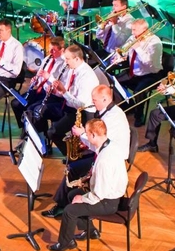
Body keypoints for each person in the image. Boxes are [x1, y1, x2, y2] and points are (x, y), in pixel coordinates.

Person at [43, 85, 130, 219]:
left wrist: (82, 134)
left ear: (105, 99)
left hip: (110, 160)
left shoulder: (112, 118)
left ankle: (63, 206)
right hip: (105, 153)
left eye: (94, 100)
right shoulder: (109, 112)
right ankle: (71, 200)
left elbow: (100, 143)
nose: (92, 103)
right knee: (75, 163)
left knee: (73, 168)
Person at [47, 118, 128, 251]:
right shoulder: (110, 144)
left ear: (94, 135)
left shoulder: (104, 161)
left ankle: (65, 243)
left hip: (107, 202)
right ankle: (90, 231)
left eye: (88, 134)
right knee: (72, 195)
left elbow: (99, 194)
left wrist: (82, 198)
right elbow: (93, 146)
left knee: (69, 210)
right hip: (110, 196)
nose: (87, 137)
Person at [46, 45, 99, 156]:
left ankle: (74, 157)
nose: (65, 62)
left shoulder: (86, 76)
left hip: (84, 112)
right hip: (71, 107)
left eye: (67, 59)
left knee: (54, 132)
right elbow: (68, 90)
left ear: (77, 59)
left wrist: (63, 91)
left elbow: (81, 104)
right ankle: (71, 155)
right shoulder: (72, 68)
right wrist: (57, 90)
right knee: (47, 121)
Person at [112, 18, 165, 127]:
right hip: (134, 71)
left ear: (144, 30)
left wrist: (138, 48)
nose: (132, 33)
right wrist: (120, 56)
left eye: (134, 30)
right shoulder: (133, 37)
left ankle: (139, 115)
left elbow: (150, 64)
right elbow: (124, 50)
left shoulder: (155, 42)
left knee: (139, 91)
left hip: (151, 74)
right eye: (132, 29)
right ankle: (129, 106)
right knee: (114, 81)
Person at [12, 36, 66, 129]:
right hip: (41, 91)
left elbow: (62, 84)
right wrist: (36, 80)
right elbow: (40, 74)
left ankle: (39, 133)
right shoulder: (48, 58)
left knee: (32, 109)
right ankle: (26, 129)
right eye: (49, 49)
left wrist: (49, 77)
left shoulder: (65, 63)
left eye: (54, 50)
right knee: (16, 103)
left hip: (54, 95)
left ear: (62, 50)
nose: (50, 52)